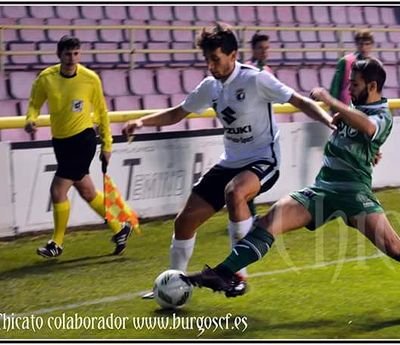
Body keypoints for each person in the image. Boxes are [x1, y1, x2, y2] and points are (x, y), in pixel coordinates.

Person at [122, 22, 333, 297]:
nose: (211, 65)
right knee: (183, 222)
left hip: (264, 159)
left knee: (235, 193)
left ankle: (238, 275)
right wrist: (140, 121)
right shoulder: (209, 87)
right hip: (230, 161)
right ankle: (174, 283)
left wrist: (330, 121)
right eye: (207, 60)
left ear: (233, 56)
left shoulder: (256, 79)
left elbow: (299, 101)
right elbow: (177, 113)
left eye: (216, 59)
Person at [185, 57, 399, 298]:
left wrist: (330, 101)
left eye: (355, 84)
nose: (350, 88)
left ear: (372, 87)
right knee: (268, 223)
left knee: (393, 247)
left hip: (353, 194)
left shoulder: (382, 114)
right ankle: (223, 273)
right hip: (323, 190)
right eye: (350, 83)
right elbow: (360, 133)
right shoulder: (355, 110)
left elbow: (370, 128)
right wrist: (365, 146)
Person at [25, 35, 132, 258]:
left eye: (76, 54)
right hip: (61, 141)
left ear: (80, 54)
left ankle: (57, 243)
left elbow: (102, 112)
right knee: (87, 191)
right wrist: (30, 119)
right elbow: (34, 104)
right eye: (67, 54)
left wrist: (107, 144)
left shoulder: (90, 78)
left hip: (83, 139)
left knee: (58, 190)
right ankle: (120, 228)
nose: (72, 58)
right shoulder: (46, 78)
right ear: (59, 55)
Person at [330, 29, 374, 105]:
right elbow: (335, 88)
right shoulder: (345, 61)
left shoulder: (374, 64)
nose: (364, 47)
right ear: (356, 44)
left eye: (367, 44)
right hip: (346, 106)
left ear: (372, 45)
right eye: (361, 44)